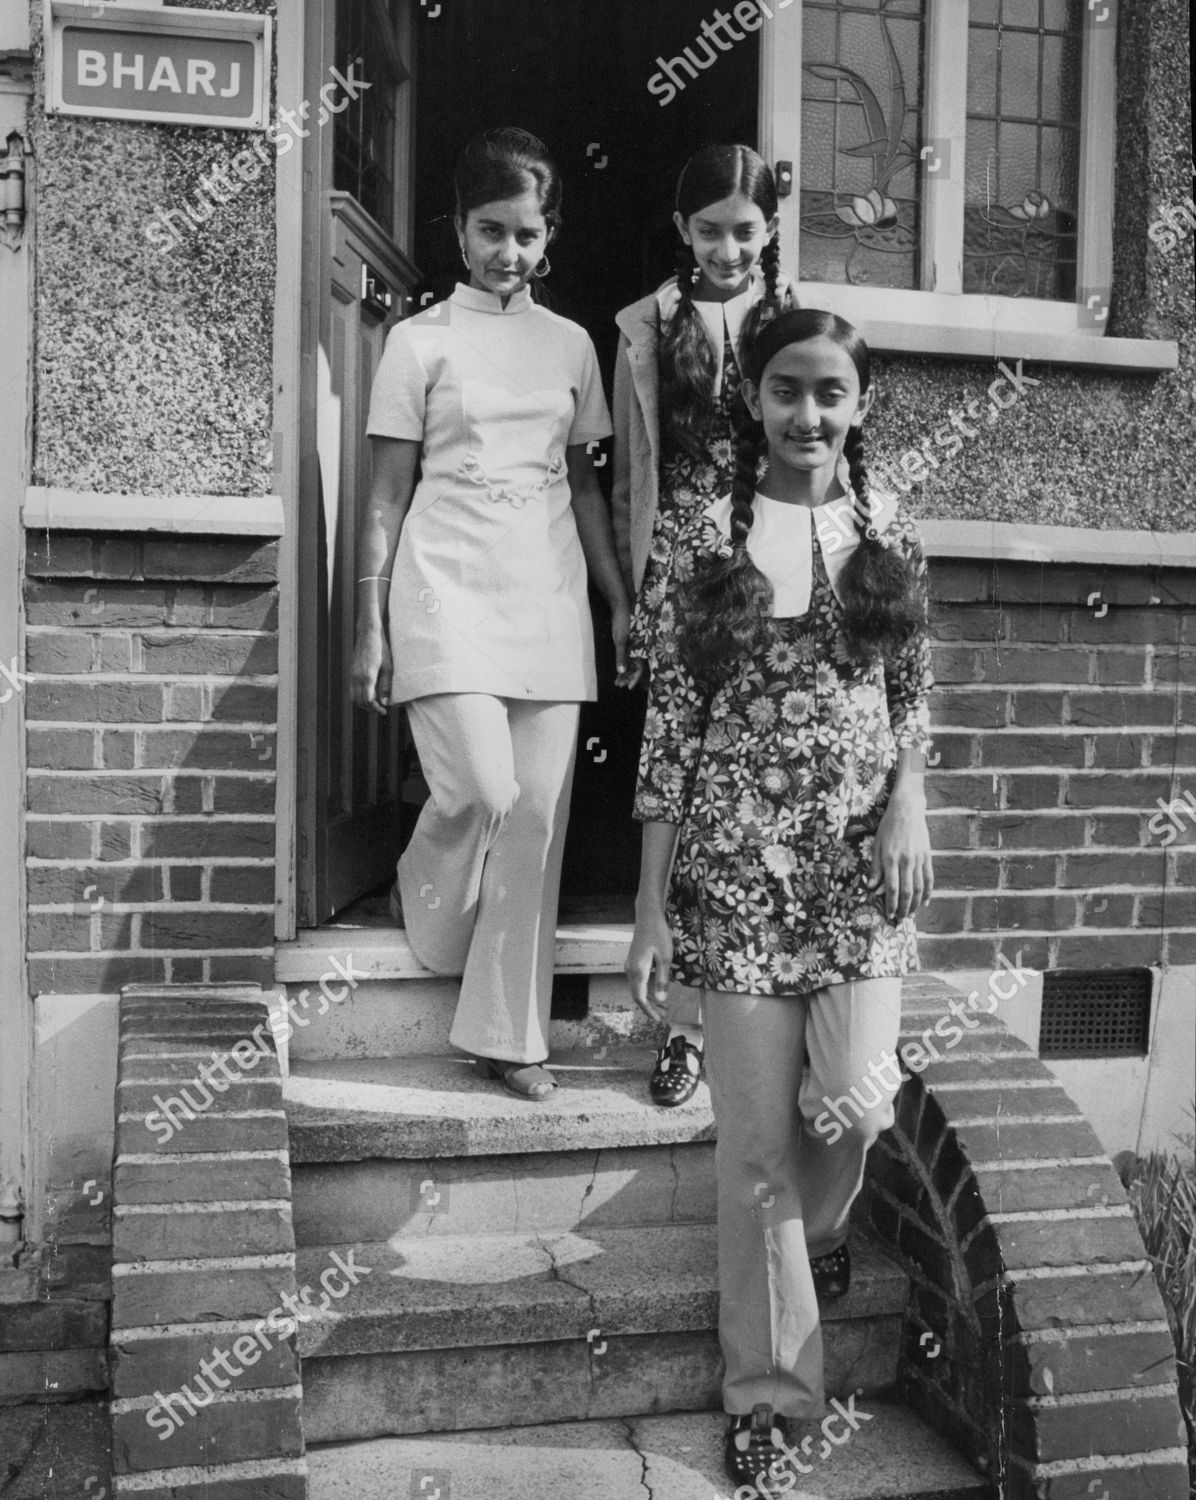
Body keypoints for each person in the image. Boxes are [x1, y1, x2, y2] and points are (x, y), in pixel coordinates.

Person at [624, 308, 934, 1491]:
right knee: (751, 1147)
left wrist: (909, 806)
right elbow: (667, 734)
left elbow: (910, 698)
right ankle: (766, 1398)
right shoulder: (700, 537)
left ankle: (814, 1239)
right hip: (732, 877)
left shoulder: (889, 532)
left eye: (831, 393)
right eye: (786, 391)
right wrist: (650, 910)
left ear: (858, 405)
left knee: (855, 1101)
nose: (808, 414)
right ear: (751, 400)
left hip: (857, 875)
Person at [351, 127, 632, 1102]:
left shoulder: (570, 347)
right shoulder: (416, 341)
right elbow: (384, 493)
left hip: (548, 594)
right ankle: (425, 907)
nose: (506, 251)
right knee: (480, 789)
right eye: (488, 230)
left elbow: (586, 489)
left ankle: (508, 1037)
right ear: (458, 230)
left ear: (546, 234)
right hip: (444, 589)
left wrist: (616, 599)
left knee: (536, 819)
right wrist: (370, 622)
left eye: (524, 232)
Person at [612, 143, 799, 1107]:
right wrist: (631, 597)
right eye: (709, 229)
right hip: (683, 566)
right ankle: (680, 1024)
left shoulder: (797, 324)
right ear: (684, 229)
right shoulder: (648, 324)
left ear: (769, 229)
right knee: (674, 786)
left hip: (770, 559)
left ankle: (762, 1013)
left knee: (754, 789)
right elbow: (627, 476)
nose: (727, 248)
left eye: (745, 229)